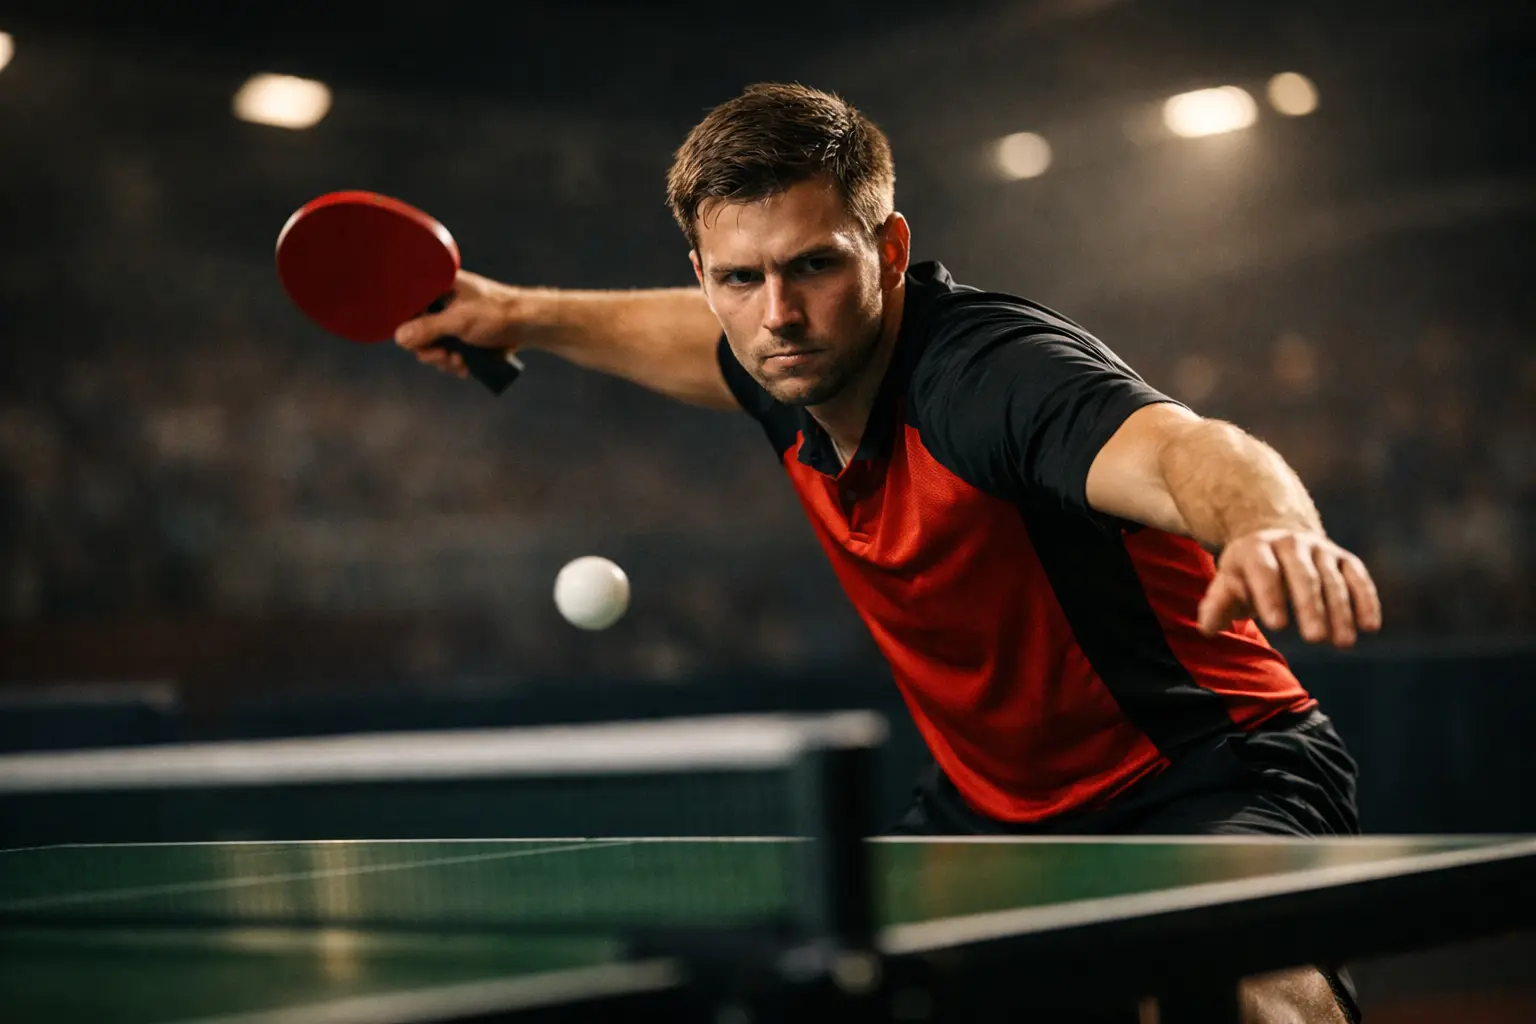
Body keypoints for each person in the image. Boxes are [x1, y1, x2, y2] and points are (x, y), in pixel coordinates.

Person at [397, 83, 1381, 1023]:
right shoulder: (779, 358)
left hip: (1203, 775)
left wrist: (1265, 526)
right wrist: (521, 314)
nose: (778, 311)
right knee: (800, 985)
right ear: (707, 278)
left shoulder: (987, 378)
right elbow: (683, 336)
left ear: (889, 247)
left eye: (814, 265)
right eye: (741, 277)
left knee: (1230, 981)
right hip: (989, 814)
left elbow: (1185, 450)